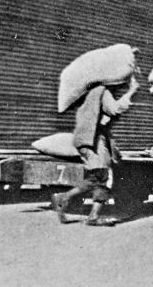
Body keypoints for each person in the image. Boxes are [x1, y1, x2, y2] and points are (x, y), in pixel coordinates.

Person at [52, 75, 139, 226]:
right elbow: (115, 109)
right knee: (104, 176)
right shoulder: (102, 92)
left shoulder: (87, 94)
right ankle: (91, 215)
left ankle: (64, 199)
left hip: (83, 139)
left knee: (96, 177)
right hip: (94, 140)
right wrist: (131, 91)